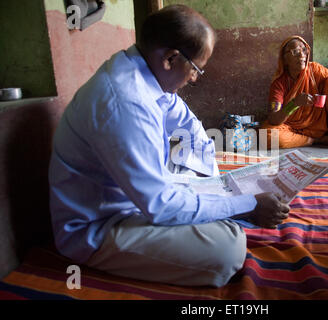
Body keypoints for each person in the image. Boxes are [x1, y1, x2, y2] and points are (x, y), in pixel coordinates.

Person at [48, 4, 290, 288]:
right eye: (197, 68)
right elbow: (161, 206)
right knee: (227, 250)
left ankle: (208, 207)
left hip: (134, 197)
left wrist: (216, 184)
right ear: (171, 59)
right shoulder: (126, 102)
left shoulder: (141, 70)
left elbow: (191, 128)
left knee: (193, 163)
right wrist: (246, 204)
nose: (194, 78)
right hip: (100, 226)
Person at [261, 35, 328, 153]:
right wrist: (294, 103)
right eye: (295, 51)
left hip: (320, 126)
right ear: (284, 59)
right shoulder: (279, 83)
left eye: (304, 50)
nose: (302, 55)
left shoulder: (315, 70)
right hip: (291, 129)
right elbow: (273, 119)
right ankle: (318, 140)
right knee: (267, 136)